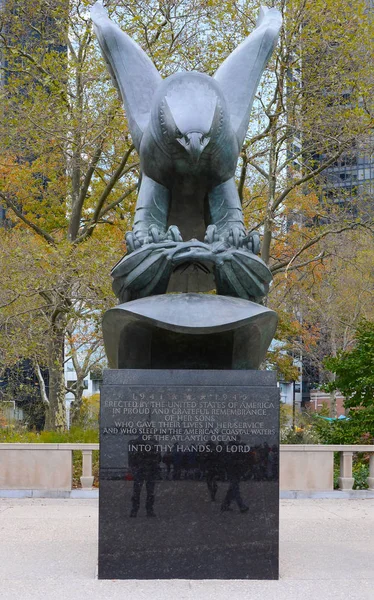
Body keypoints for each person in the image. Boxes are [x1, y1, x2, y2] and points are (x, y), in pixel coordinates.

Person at [128, 436, 161, 517]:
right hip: (147, 469)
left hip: (142, 469)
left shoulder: (135, 442)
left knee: (139, 491)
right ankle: (148, 510)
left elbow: (131, 457)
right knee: (148, 492)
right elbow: (158, 458)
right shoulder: (154, 443)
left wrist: (133, 467)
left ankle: (135, 510)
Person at [220, 439, 249, 513]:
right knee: (235, 490)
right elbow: (230, 463)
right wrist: (239, 462)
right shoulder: (230, 453)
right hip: (233, 473)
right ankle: (241, 506)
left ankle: (225, 505)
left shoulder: (229, 452)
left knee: (232, 490)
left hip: (233, 473)